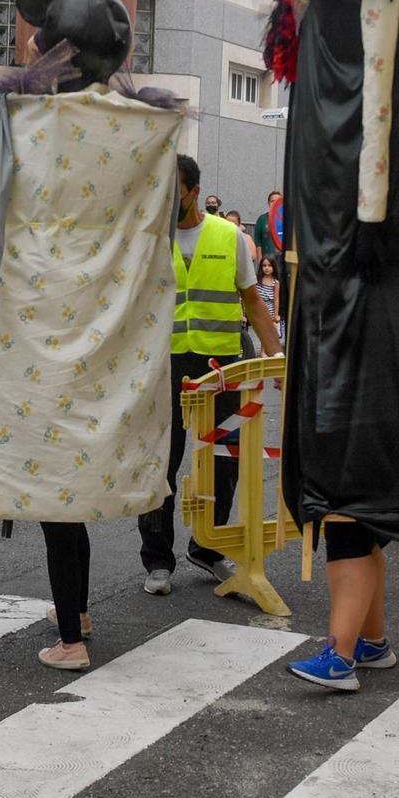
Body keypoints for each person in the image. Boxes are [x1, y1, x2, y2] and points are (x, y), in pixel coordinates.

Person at [139, 156, 282, 595]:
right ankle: (158, 561)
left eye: (174, 192)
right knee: (159, 464)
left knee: (224, 460)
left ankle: (208, 545)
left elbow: (253, 301)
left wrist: (277, 356)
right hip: (164, 366)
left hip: (221, 367)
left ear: (195, 191)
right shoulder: (147, 239)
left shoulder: (229, 236)